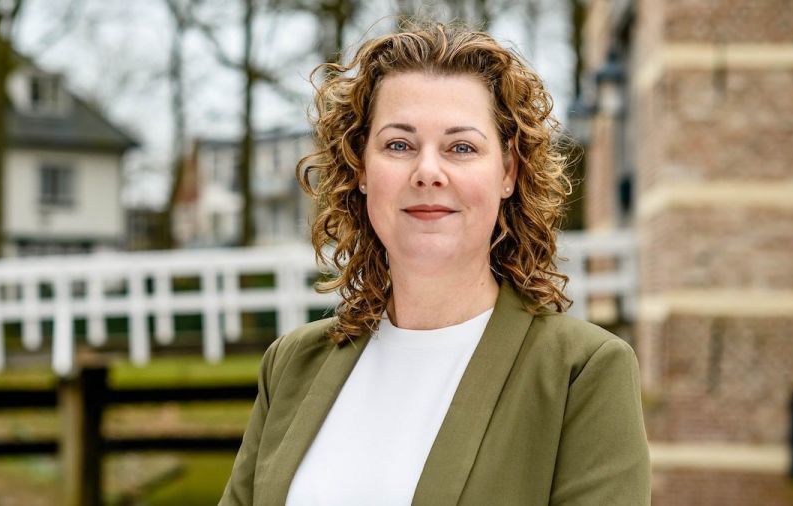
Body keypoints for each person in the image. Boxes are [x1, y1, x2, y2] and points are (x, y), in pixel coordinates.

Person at [219, 20, 651, 506]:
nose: (427, 172)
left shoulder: (582, 372)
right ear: (362, 169)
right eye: (399, 145)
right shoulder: (291, 364)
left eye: (461, 147)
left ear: (507, 172)